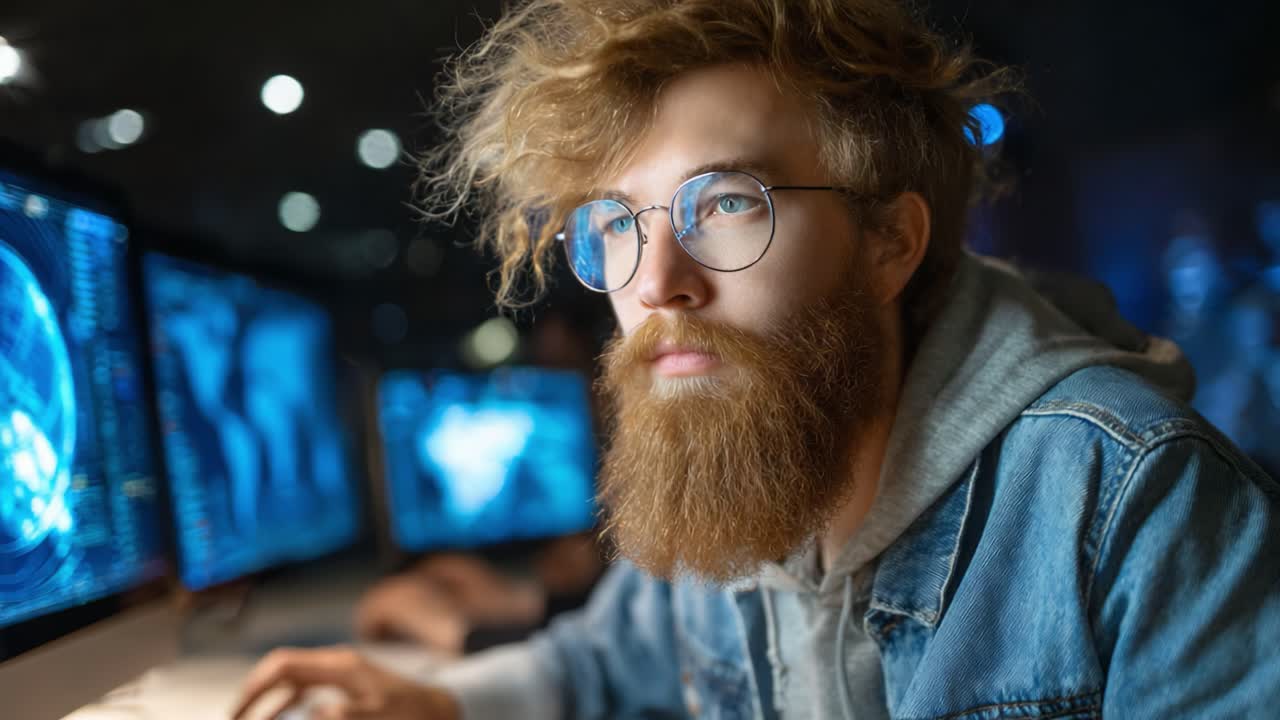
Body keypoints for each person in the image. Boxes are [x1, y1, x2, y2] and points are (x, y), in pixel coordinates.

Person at [233, 1, 1280, 718]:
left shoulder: (1134, 501)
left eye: (727, 203)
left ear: (889, 242)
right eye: (617, 222)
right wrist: (442, 700)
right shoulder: (736, 457)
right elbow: (601, 663)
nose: (656, 282)